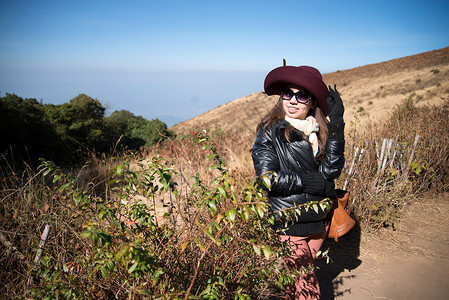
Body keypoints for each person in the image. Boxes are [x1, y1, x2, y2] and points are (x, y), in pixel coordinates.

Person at [251, 61, 345, 299]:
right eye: (288, 93)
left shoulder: (318, 131)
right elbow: (266, 178)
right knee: (307, 288)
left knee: (297, 283)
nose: (292, 100)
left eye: (302, 95)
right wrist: (306, 182)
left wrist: (337, 126)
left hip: (319, 217)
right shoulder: (270, 130)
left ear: (312, 102)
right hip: (289, 219)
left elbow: (331, 171)